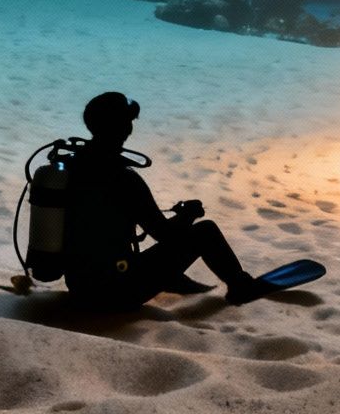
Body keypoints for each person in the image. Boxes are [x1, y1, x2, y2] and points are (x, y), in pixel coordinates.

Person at [61, 91, 275, 308]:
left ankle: (171, 279)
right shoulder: (123, 178)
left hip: (80, 288)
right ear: (124, 127)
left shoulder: (67, 167)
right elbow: (164, 235)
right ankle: (241, 287)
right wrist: (187, 215)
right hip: (115, 292)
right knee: (206, 231)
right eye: (127, 121)